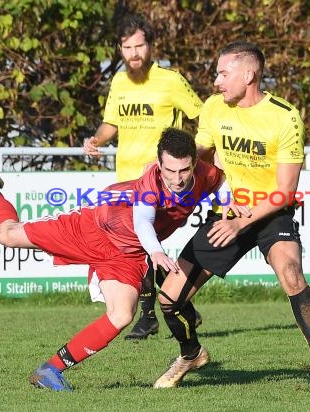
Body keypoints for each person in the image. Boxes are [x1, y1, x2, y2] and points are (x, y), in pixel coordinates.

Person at [0, 128, 244, 392]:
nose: (176, 179)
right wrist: (155, 251)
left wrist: (227, 200)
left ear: (194, 162)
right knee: (8, 235)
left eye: (184, 171)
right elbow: (142, 221)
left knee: (122, 315)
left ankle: (50, 370)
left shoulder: (205, 173)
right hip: (93, 227)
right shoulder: (150, 184)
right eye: (169, 171)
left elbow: (219, 181)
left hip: (126, 252)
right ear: (159, 164)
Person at [152, 41, 310, 394]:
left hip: (271, 212)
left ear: (249, 75)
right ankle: (191, 354)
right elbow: (201, 154)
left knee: (290, 273)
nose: (216, 81)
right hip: (229, 211)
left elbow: (285, 191)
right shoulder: (213, 107)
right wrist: (168, 163)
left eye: (223, 73)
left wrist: (243, 222)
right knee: (169, 298)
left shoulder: (284, 116)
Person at [83, 13, 204, 340]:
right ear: (120, 49)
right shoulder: (120, 83)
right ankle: (177, 307)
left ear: (151, 47)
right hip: (125, 178)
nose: (134, 53)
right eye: (127, 47)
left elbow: (202, 117)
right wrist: (96, 140)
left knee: (141, 244)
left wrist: (196, 159)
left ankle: (150, 313)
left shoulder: (171, 81)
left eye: (139, 45)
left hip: (160, 180)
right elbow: (111, 123)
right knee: (138, 245)